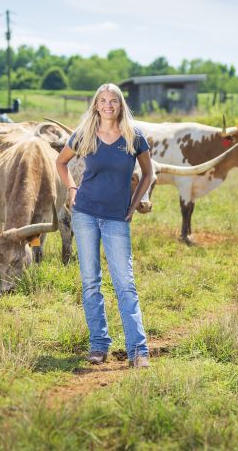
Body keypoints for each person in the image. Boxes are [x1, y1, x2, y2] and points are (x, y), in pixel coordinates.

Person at [56, 83, 153, 368]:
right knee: (90, 283)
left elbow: (148, 173)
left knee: (125, 285)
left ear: (121, 105)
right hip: (84, 214)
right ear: (96, 105)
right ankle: (98, 345)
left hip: (116, 218)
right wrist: (72, 190)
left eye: (114, 100)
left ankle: (138, 350)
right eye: (103, 100)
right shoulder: (84, 134)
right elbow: (61, 163)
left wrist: (134, 205)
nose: (108, 105)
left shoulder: (134, 137)